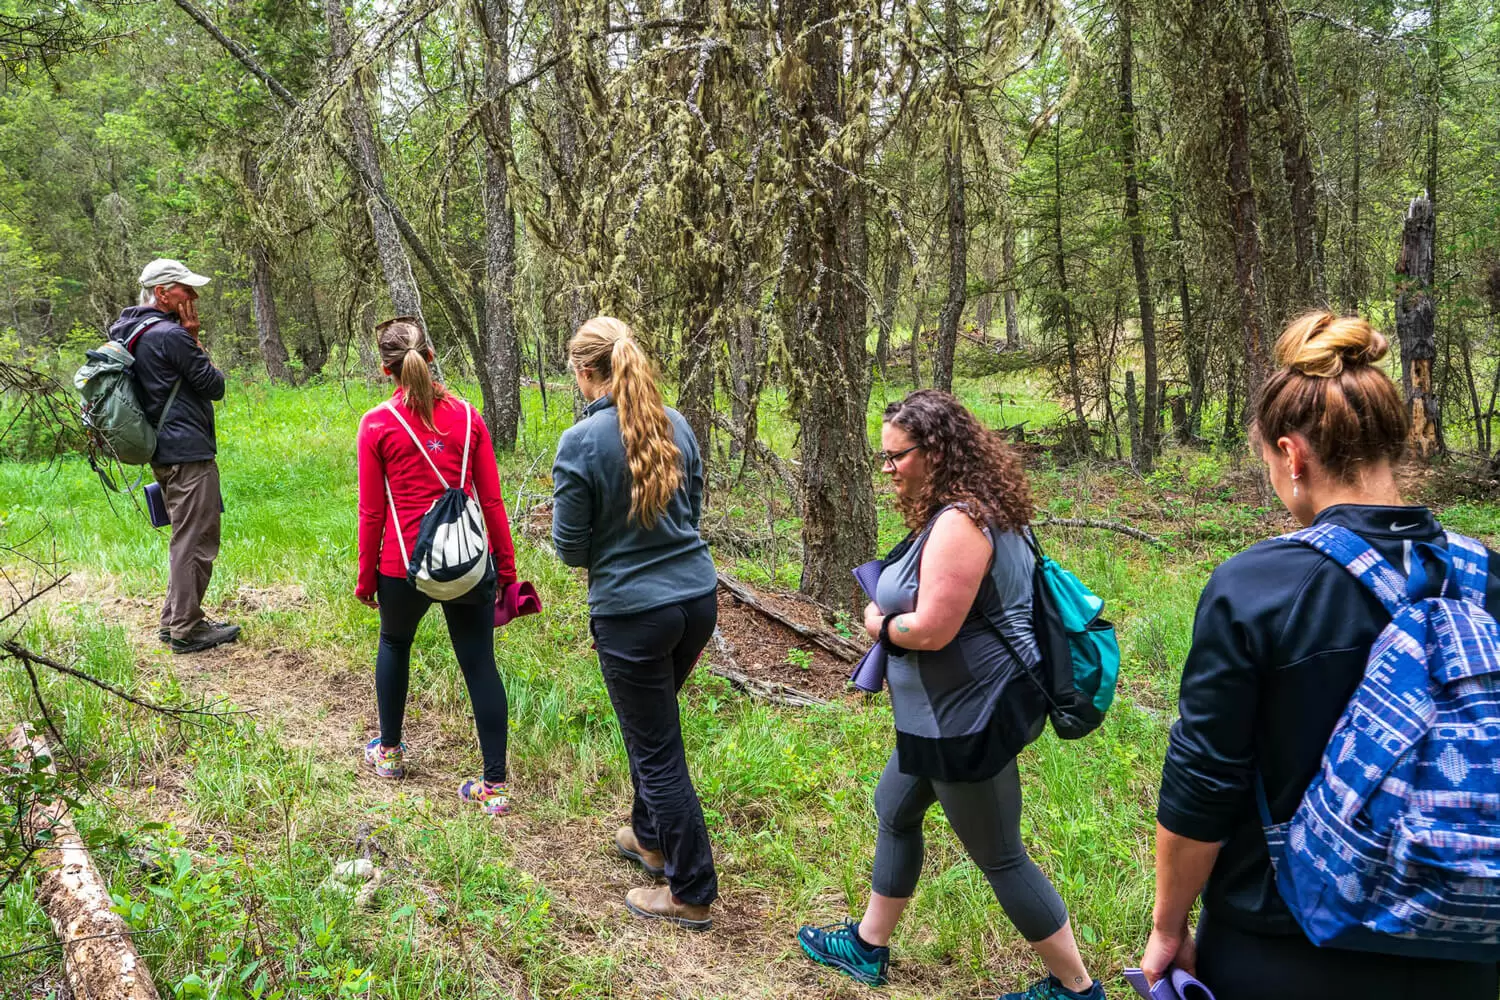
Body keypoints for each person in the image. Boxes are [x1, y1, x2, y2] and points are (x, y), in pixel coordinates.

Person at [1141, 312, 1500, 999]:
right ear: (1395, 441)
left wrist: (1168, 925)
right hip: (1464, 943)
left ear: (1292, 455)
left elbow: (1203, 781)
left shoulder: (1257, 587)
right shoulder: (1487, 580)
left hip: (1282, 946)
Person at [798, 389, 1104, 1000]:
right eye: (883, 457)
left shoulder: (963, 523)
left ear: (936, 451)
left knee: (1001, 855)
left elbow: (931, 629)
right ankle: (868, 946)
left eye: (897, 456)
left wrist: (879, 625)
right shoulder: (976, 507)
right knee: (894, 809)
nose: (888, 469)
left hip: (965, 720)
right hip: (938, 715)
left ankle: (1076, 987)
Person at [551, 316, 719, 930]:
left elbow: (570, 548)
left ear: (584, 371)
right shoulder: (676, 424)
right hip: (696, 600)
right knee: (652, 729)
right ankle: (649, 839)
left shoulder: (580, 443)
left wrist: (614, 545)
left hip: (632, 614)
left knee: (656, 749)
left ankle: (690, 889)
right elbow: (692, 512)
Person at [355, 317, 520, 816]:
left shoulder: (376, 424)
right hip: (467, 561)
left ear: (386, 370)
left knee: (394, 643)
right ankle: (494, 786)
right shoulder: (469, 418)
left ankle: (389, 753)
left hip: (402, 564)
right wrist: (506, 570)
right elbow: (492, 502)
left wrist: (366, 577)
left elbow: (372, 512)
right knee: (480, 663)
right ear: (430, 358)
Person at [107, 258, 239, 654]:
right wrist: (193, 338)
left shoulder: (134, 330)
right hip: (187, 450)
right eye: (185, 288)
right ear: (162, 293)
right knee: (196, 539)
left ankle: (174, 620)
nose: (193, 295)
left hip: (163, 450)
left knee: (185, 534)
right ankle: (186, 628)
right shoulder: (171, 335)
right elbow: (214, 386)